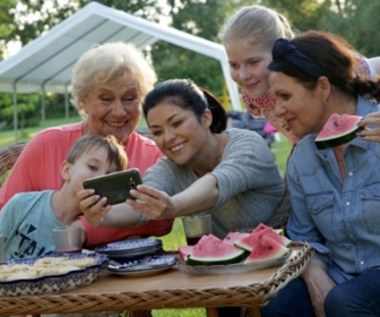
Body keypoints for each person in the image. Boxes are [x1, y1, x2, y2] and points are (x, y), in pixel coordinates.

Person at [0, 42, 173, 247]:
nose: (119, 111)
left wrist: (84, 228)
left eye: (129, 98)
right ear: (84, 100)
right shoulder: (47, 144)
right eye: (106, 99)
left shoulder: (153, 157)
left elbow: (161, 221)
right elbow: (6, 209)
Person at [261, 31, 380, 317]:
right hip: (341, 277)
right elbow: (304, 236)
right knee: (276, 304)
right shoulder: (302, 158)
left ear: (323, 87)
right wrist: (315, 275)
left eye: (285, 96)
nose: (277, 111)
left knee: (345, 302)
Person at [79, 78, 286, 238]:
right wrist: (102, 215)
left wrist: (173, 207)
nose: (168, 138)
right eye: (157, 132)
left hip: (287, 259)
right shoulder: (171, 168)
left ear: (206, 118)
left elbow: (216, 185)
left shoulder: (247, 145)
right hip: (228, 274)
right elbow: (140, 205)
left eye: (177, 123)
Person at [221, 5, 378, 145]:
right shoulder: (256, 95)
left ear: (279, 50)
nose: (243, 75)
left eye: (253, 62)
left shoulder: (314, 67)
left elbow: (371, 68)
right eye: (234, 65)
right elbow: (298, 138)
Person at [0, 134, 127, 261]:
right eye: (93, 167)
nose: (100, 177)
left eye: (109, 175)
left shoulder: (93, 225)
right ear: (66, 170)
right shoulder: (21, 204)